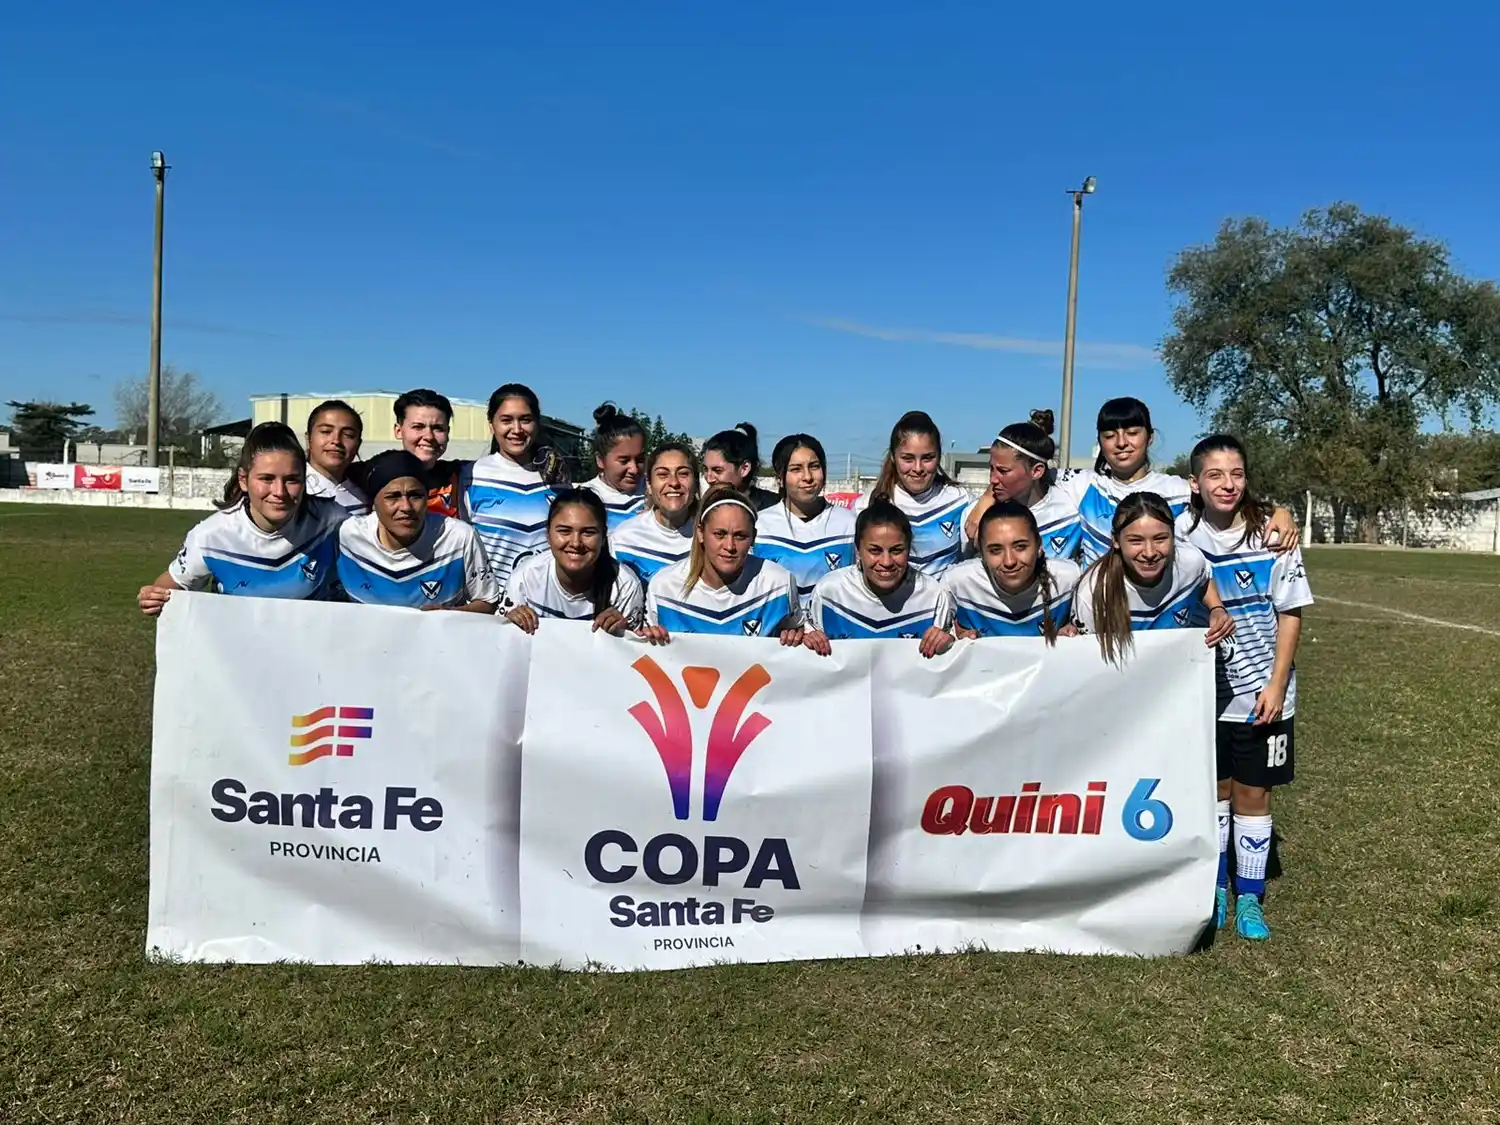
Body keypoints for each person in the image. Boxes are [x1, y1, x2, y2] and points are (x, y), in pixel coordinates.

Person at [1181, 434, 1314, 943]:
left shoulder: (1272, 537)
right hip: (1204, 692)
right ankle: (1215, 887)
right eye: (1214, 475)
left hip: (1264, 693)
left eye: (1235, 473)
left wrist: (1277, 684)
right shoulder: (1179, 537)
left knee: (1254, 794)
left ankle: (1250, 898)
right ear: (1195, 483)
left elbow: (1290, 614)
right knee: (1214, 793)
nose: (1227, 484)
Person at [1057, 396, 1300, 566]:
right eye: (1110, 436)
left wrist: (1279, 511)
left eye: (1132, 433)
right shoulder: (1080, 485)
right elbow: (1027, 472)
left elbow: (1226, 496)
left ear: (1150, 438)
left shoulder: (1177, 490)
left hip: (1162, 619)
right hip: (1098, 613)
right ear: (1100, 441)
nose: (1121, 443)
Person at [136, 422, 346, 615]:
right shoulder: (211, 537)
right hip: (237, 651)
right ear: (244, 480)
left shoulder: (332, 521)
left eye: (292, 480)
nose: (279, 491)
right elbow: (172, 585)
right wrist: (153, 597)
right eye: (266, 479)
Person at [1072, 491, 1236, 662]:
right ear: (1115, 541)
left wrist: (1217, 608)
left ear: (1173, 537)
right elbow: (1086, 661)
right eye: (1136, 541)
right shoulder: (1092, 593)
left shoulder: (1190, 561)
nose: (1149, 553)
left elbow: (1204, 579)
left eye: (1160, 539)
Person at [335, 450, 499, 612]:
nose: (406, 507)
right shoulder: (347, 536)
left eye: (415, 495)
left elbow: (487, 601)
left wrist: (451, 615)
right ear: (374, 503)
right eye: (393, 496)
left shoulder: (460, 537)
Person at [640, 485, 802, 644]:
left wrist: (802, 638)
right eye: (719, 534)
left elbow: (800, 635)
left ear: (753, 537)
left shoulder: (779, 583)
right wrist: (649, 638)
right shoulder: (664, 587)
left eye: (740, 536)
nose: (729, 546)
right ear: (700, 533)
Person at [804, 500, 957, 658]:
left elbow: (950, 654)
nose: (886, 562)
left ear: (909, 549)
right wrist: (808, 640)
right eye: (875, 551)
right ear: (857, 551)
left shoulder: (932, 595)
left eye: (896, 551)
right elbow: (806, 648)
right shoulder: (829, 591)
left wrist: (948, 641)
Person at [461, 383, 566, 593]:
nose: (517, 430)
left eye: (525, 420)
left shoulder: (558, 478)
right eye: (506, 420)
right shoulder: (471, 476)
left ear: (537, 424)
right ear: (491, 425)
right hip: (490, 609)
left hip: (545, 605)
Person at [503, 488, 645, 634]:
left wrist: (623, 632)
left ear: (603, 537)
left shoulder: (625, 586)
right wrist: (509, 623)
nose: (576, 543)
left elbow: (634, 653)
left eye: (588, 532)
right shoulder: (525, 577)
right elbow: (500, 643)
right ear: (548, 533)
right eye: (564, 531)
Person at [944, 500, 1081, 642]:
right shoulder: (957, 583)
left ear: (1039, 546)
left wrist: (1073, 633)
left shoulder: (1069, 579)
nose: (1009, 561)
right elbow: (935, 638)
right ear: (982, 554)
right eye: (995, 550)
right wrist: (950, 638)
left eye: (1020, 547)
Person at [854, 410, 970, 578]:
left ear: (939, 457)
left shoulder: (960, 500)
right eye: (908, 459)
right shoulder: (866, 505)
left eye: (927, 458)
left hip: (943, 603)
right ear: (893, 457)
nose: (918, 468)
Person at [754, 433, 856, 615]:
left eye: (814, 466)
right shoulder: (759, 526)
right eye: (796, 469)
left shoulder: (849, 524)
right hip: (778, 638)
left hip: (833, 637)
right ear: (780, 477)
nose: (807, 477)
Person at [961, 410, 1082, 562]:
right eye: (991, 468)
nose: (992, 479)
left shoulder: (1072, 508)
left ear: (1036, 471)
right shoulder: (974, 517)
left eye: (1003, 471)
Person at [611, 442, 700, 582]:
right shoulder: (624, 538)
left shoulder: (711, 537)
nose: (674, 483)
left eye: (683, 474)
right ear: (649, 484)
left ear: (695, 483)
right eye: (663, 474)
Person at [391, 388, 464, 517]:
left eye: (438, 428)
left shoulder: (463, 475)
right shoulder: (372, 476)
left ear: (448, 433)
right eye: (418, 427)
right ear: (398, 431)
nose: (429, 436)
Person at [579, 403, 646, 530]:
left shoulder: (656, 492)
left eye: (640, 459)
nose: (634, 469)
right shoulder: (583, 498)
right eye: (624, 460)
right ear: (600, 460)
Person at [303, 399, 369, 513]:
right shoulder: (290, 490)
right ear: (308, 439)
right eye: (326, 432)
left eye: (348, 435)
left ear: (358, 444)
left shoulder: (366, 494)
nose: (336, 440)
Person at [701, 423, 778, 510]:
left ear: (744, 468)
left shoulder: (773, 508)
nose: (709, 479)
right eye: (706, 469)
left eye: (718, 470)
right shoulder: (704, 507)